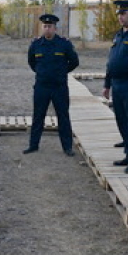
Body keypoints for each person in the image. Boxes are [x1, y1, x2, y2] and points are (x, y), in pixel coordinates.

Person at [24, 13, 79, 156]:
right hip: (42, 86)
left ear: (55, 28)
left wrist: (61, 72)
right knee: (38, 116)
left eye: (50, 26)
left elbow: (74, 61)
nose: (47, 29)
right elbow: (31, 62)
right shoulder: (36, 45)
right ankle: (33, 145)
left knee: (63, 117)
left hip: (59, 87)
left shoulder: (64, 44)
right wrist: (41, 73)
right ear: (42, 27)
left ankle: (67, 148)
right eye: (45, 26)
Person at [103, 0, 128, 173]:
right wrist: (107, 84)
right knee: (121, 119)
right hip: (117, 83)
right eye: (119, 14)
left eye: (124, 13)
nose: (120, 17)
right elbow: (111, 61)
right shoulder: (119, 34)